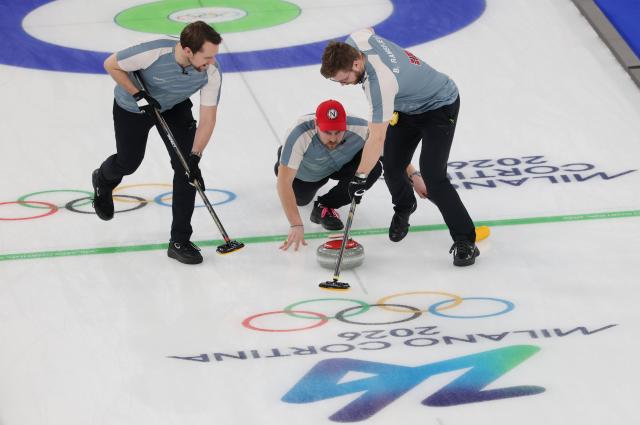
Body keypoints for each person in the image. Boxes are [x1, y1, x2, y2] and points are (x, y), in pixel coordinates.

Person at [320, 28, 480, 266]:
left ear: (356, 63)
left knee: (433, 177)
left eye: (344, 80)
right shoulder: (356, 40)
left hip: (439, 106)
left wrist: (360, 177)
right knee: (393, 167)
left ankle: (465, 241)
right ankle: (405, 207)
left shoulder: (381, 85)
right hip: (406, 108)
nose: (343, 85)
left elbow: (376, 139)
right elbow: (369, 31)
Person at [91, 21, 222, 265]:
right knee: (128, 162)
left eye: (214, 56)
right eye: (207, 56)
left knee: (187, 170)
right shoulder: (154, 52)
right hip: (133, 106)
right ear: (187, 51)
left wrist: (195, 156)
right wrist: (139, 95)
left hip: (173, 105)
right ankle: (103, 178)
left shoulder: (211, 72)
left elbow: (208, 118)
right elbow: (111, 64)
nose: (212, 62)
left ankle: (180, 241)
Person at [276, 100, 382, 251]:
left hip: (342, 164)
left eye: (338, 132)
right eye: (327, 132)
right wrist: (296, 224)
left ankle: (325, 206)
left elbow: (388, 150)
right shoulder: (299, 133)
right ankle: (283, 162)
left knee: (374, 168)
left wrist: (413, 174)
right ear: (316, 124)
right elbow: (284, 182)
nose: (333, 138)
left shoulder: (362, 128)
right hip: (308, 174)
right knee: (300, 199)